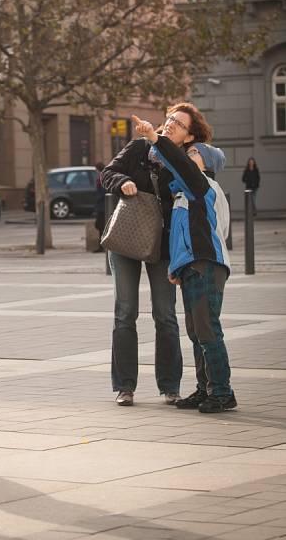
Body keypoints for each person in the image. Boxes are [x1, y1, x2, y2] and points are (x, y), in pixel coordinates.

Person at [102, 102, 212, 407]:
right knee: (125, 313)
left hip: (163, 246)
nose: (170, 124)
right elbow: (108, 172)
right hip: (127, 238)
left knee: (165, 315)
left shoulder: (184, 161)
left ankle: (169, 386)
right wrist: (122, 181)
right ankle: (125, 386)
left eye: (178, 123)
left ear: (189, 137)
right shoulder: (139, 148)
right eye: (170, 119)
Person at [132, 114, 237, 414]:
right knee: (195, 332)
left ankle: (223, 392)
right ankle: (205, 388)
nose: (187, 159)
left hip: (206, 265)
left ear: (203, 162)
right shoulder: (183, 192)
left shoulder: (200, 185)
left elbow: (214, 233)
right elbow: (183, 234)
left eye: (192, 155)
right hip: (192, 266)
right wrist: (177, 267)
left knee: (207, 330)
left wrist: (155, 137)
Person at [93, 162, 106, 253]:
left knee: (100, 226)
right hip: (101, 206)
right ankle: (101, 245)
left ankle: (102, 246)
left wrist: (98, 198)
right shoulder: (101, 177)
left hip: (102, 207)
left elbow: (103, 193)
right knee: (100, 226)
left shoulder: (102, 178)